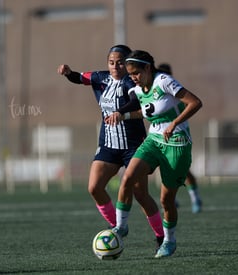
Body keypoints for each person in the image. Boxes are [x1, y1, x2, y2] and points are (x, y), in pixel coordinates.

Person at [57, 45, 164, 247]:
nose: (116, 66)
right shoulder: (100, 78)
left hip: (134, 146)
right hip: (108, 145)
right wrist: (68, 73)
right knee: (94, 188)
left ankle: (161, 236)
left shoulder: (131, 82)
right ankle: (118, 226)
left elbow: (135, 101)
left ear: (128, 63)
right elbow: (80, 78)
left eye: (121, 62)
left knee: (141, 195)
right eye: (112, 62)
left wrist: (119, 111)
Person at [109, 50, 202, 258]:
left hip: (177, 145)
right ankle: (121, 227)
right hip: (153, 141)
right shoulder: (139, 88)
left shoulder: (164, 81)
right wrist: (122, 115)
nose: (132, 77)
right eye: (130, 73)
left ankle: (169, 241)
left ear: (148, 68)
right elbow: (148, 111)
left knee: (166, 200)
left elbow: (195, 102)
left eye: (136, 73)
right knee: (128, 178)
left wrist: (175, 123)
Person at [157, 63, 203, 213]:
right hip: (159, 137)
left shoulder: (176, 92)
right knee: (163, 167)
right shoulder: (156, 90)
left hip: (177, 135)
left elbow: (191, 105)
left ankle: (195, 197)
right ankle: (172, 199)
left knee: (183, 171)